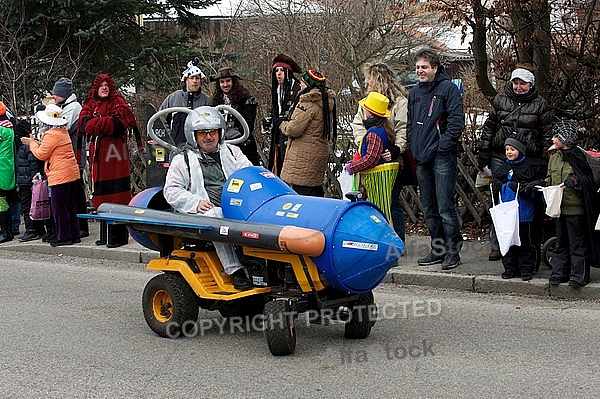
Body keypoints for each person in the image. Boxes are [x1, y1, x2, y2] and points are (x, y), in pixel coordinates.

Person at [163, 106, 253, 290]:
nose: (208, 137)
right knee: (216, 217)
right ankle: (235, 270)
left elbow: (250, 175)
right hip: (206, 211)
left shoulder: (233, 152)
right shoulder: (183, 159)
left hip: (235, 205)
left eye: (212, 132)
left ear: (220, 132)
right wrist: (195, 202)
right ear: (193, 136)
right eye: (202, 133)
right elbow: (171, 190)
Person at [477, 66, 553, 262]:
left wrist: (544, 160)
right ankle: (498, 244)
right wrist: (483, 153)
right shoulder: (500, 100)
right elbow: (489, 127)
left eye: (523, 84)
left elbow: (546, 134)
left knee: (525, 202)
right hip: (501, 155)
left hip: (530, 158)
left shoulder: (540, 104)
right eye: (516, 83)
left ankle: (526, 245)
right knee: (499, 200)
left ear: (531, 85)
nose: (518, 87)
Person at [407, 48, 464, 270]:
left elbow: (456, 123)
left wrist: (442, 146)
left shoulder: (448, 90)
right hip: (422, 158)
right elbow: (411, 123)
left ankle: (452, 252)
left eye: (424, 67)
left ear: (435, 68)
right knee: (429, 209)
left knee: (445, 207)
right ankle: (438, 249)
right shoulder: (414, 93)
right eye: (418, 67)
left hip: (441, 157)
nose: (420, 71)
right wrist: (414, 144)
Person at [78, 73, 142, 248]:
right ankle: (105, 235)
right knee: (101, 194)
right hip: (99, 158)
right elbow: (85, 124)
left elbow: (120, 124)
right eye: (101, 85)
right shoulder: (89, 104)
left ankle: (118, 237)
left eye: (107, 85)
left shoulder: (119, 103)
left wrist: (97, 123)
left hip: (116, 156)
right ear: (96, 89)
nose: (104, 88)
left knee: (117, 194)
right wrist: (105, 123)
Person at [351, 62, 408, 241]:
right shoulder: (367, 103)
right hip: (371, 157)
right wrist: (366, 143)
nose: (366, 83)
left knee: (391, 202)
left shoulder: (400, 102)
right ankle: (378, 241)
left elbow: (403, 129)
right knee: (373, 202)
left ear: (378, 80)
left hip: (391, 160)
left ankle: (395, 241)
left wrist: (395, 148)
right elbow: (357, 124)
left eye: (369, 79)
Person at [545, 120, 600, 288]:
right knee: (561, 241)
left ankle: (579, 275)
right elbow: (549, 177)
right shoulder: (554, 158)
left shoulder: (578, 157)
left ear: (565, 138)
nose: (553, 139)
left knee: (577, 242)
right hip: (558, 207)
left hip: (575, 207)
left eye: (556, 136)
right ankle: (559, 272)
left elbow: (588, 180)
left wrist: (576, 181)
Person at [21, 104, 81, 246]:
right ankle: (74, 234)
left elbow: (41, 154)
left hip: (59, 175)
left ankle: (64, 237)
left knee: (59, 208)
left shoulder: (51, 135)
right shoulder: (62, 132)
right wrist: (35, 142)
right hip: (71, 173)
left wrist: (31, 143)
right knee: (71, 207)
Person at [279, 69, 336, 197]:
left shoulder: (308, 102)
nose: (300, 85)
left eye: (303, 82)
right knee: (315, 192)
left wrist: (281, 124)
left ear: (309, 85)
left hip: (303, 156)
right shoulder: (326, 101)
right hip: (318, 152)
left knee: (301, 195)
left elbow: (294, 129)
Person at [490, 134, 540, 280]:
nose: (509, 152)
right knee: (507, 241)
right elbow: (495, 185)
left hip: (522, 213)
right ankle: (510, 268)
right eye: (507, 149)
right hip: (506, 213)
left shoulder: (527, 169)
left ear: (520, 150)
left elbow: (532, 190)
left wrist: (521, 188)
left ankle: (526, 269)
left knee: (524, 241)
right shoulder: (503, 168)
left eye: (512, 149)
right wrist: (496, 187)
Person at [346, 91, 399, 222]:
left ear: (369, 113)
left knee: (378, 212)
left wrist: (352, 167)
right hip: (380, 178)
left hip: (375, 179)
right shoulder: (383, 129)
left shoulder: (374, 133)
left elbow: (371, 159)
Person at [51, 77, 89, 238]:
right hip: (70, 156)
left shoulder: (73, 108)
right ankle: (77, 226)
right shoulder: (65, 106)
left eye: (56, 93)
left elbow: (59, 127)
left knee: (76, 194)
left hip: (74, 156)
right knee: (74, 193)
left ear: (63, 94)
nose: (53, 96)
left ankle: (80, 226)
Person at [210, 67, 261, 166]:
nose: (225, 85)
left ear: (233, 81)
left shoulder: (246, 99)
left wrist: (237, 135)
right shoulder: (214, 102)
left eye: (228, 81)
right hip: (221, 145)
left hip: (243, 144)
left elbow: (249, 123)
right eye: (222, 82)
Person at [160, 59, 212, 147]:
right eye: (192, 78)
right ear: (186, 80)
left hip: (200, 148)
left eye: (197, 78)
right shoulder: (173, 98)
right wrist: (169, 135)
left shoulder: (207, 100)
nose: (195, 81)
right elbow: (160, 118)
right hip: (176, 147)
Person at [266, 53, 302, 176]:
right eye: (276, 71)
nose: (279, 73)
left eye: (282, 70)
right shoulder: (277, 89)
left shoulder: (298, 89)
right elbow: (276, 111)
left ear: (288, 72)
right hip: (278, 137)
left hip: (293, 138)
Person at [14, 120, 46, 242]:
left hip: (28, 181)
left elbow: (33, 164)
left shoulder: (28, 146)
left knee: (28, 206)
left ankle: (31, 230)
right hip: (25, 180)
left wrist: (34, 181)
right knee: (31, 205)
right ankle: (38, 229)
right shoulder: (26, 146)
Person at [0, 101, 15, 243]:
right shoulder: (9, 127)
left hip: (1, 168)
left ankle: (5, 232)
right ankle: (8, 230)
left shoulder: (0, 130)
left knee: (1, 202)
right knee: (5, 200)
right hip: (7, 167)